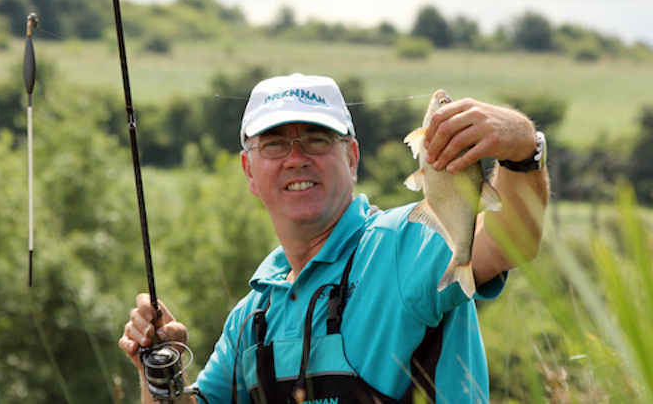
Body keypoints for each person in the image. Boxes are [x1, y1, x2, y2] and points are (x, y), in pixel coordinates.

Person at [120, 73, 549, 404]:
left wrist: (523, 147)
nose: (296, 159)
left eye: (317, 140)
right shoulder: (252, 315)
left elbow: (510, 241)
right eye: (273, 145)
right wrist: (158, 370)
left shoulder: (399, 245)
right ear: (249, 171)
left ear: (352, 157)